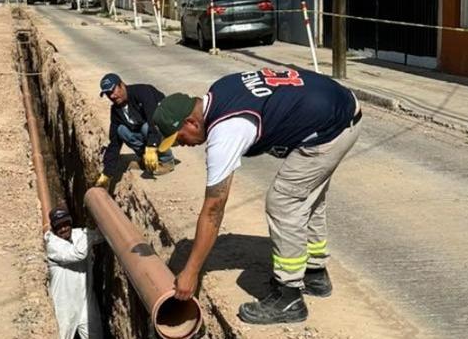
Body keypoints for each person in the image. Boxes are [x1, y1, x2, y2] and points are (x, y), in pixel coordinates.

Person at [152, 68, 361, 325]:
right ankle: (315, 274)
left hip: (333, 125)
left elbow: (214, 209)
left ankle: (289, 298)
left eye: (179, 139)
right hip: (339, 106)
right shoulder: (218, 91)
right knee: (306, 194)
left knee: (284, 200)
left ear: (191, 123)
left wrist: (191, 271)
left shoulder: (225, 131)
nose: (181, 146)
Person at [45, 206, 110, 339]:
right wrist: (89, 237)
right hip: (63, 305)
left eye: (66, 224)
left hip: (85, 301)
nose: (63, 229)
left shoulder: (80, 234)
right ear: (54, 228)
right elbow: (78, 253)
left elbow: (101, 235)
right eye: (59, 226)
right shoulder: (52, 243)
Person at [95, 73, 176, 189]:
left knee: (146, 127)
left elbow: (154, 121)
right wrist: (107, 174)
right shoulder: (116, 111)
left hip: (169, 127)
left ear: (122, 85)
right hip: (150, 131)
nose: (112, 96)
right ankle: (147, 160)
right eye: (108, 94)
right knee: (121, 130)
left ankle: (166, 161)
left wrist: (151, 146)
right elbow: (114, 144)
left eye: (113, 91)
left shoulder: (142, 92)